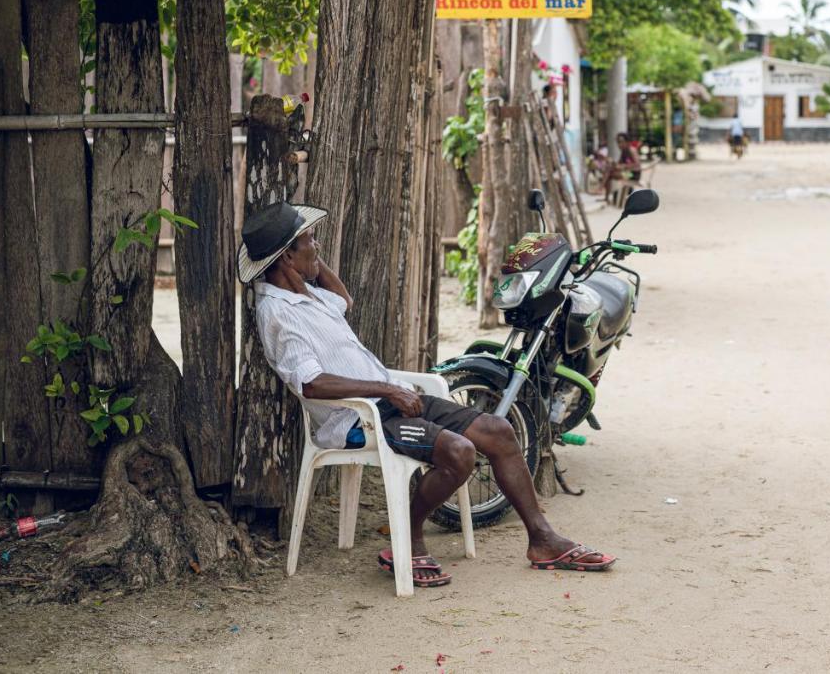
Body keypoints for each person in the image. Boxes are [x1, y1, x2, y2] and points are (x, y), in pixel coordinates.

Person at [238, 201, 615, 587]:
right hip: (358, 420)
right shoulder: (278, 312)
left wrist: (309, 264)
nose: (317, 245)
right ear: (286, 256)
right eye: (309, 241)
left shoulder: (309, 294)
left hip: (389, 399)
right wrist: (386, 388)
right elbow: (311, 383)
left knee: (498, 430)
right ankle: (409, 537)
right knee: (460, 452)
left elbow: (344, 300)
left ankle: (542, 539)